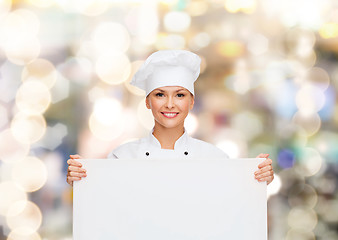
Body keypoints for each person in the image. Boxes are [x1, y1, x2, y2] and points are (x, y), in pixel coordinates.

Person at [67, 50, 274, 186]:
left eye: (180, 95)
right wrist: (80, 178)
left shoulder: (214, 158)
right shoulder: (122, 157)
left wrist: (257, 177)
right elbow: (103, 208)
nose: (169, 104)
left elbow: (233, 205)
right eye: (160, 95)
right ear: (147, 102)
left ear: (191, 102)